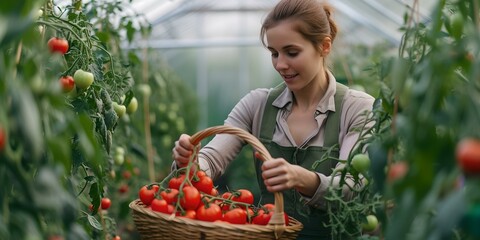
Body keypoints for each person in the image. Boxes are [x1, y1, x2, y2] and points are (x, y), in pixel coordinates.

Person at [172, 0, 375, 238]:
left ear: (324, 46)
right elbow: (212, 159)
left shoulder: (357, 108)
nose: (280, 64)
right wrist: (191, 161)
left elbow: (351, 187)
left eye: (292, 52)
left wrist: (304, 179)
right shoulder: (257, 105)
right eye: (274, 53)